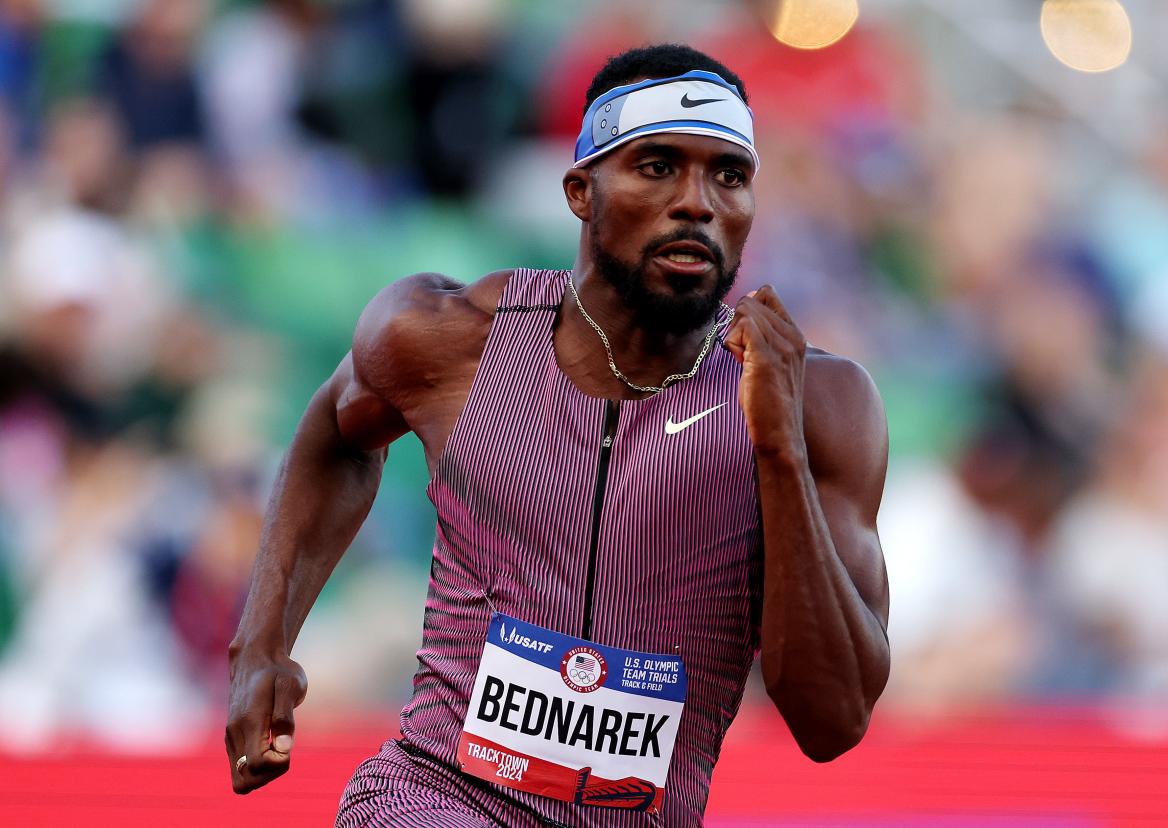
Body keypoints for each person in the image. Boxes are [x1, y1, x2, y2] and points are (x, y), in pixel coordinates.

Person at [225, 44, 891, 827]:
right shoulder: (449, 341)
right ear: (581, 192)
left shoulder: (820, 404)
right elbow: (337, 434)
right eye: (656, 167)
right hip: (433, 797)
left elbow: (832, 721)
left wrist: (778, 449)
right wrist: (261, 644)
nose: (697, 202)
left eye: (729, 175)